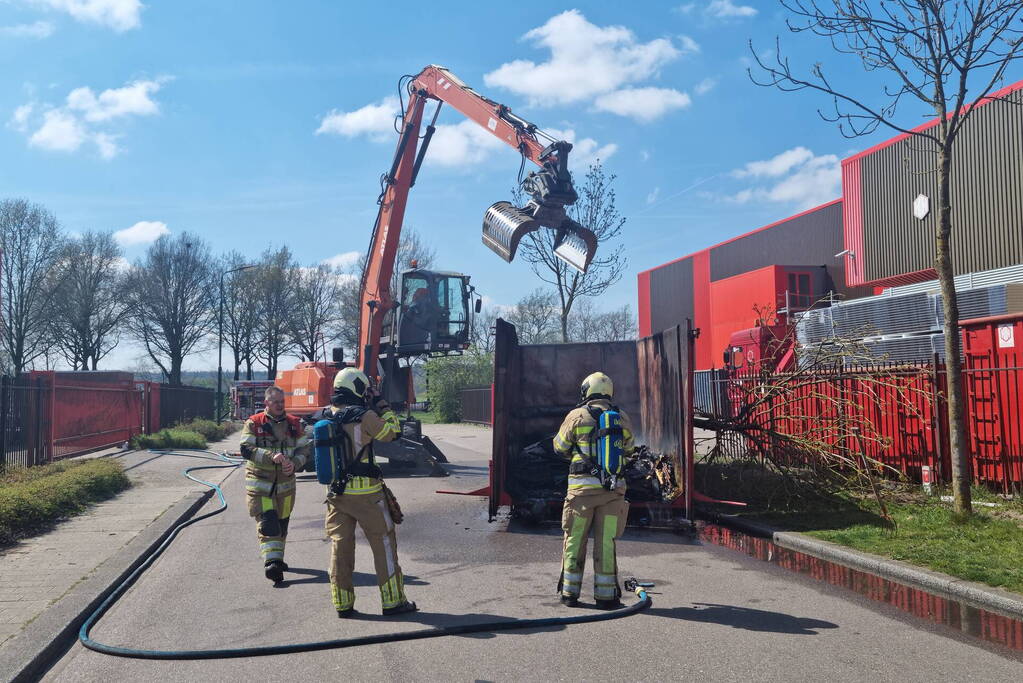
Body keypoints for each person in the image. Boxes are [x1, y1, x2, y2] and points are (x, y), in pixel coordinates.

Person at [311, 367, 417, 617]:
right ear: (357, 388)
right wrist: (383, 405)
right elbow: (393, 433)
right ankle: (393, 602)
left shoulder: (327, 414)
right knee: (383, 545)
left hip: (336, 495)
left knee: (340, 548)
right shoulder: (365, 415)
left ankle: (343, 604)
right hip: (367, 495)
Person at [552, 371, 634, 609]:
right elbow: (629, 449)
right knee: (606, 543)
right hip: (612, 493)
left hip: (581, 495)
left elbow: (559, 447)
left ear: (586, 390)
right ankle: (606, 596)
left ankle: (570, 594)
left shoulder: (576, 416)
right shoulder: (622, 417)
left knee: (575, 540)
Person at [239, 385, 311, 584]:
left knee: (282, 524)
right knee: (269, 524)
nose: (280, 405)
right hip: (261, 486)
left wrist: (295, 464)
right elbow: (246, 449)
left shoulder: (295, 424)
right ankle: (271, 563)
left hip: (286, 487)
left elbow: (304, 450)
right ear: (267, 403)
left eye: (282, 402)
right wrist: (271, 456)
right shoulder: (254, 423)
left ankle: (277, 559)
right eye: (276, 402)